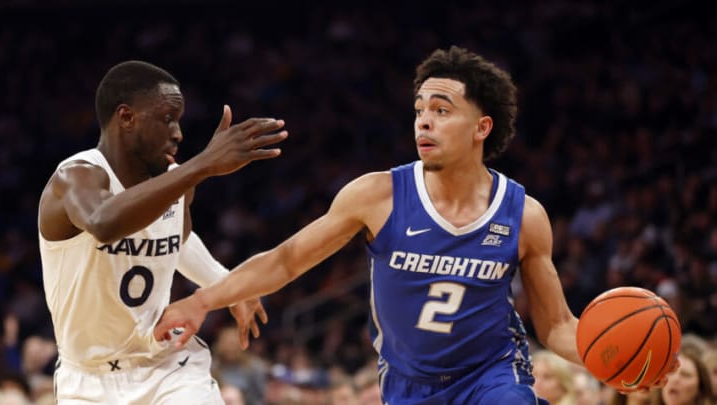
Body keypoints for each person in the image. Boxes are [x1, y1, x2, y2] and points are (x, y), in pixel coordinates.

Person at [154, 46, 669, 403]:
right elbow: (287, 260)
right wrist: (202, 300)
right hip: (407, 384)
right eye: (420, 108)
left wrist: (613, 359)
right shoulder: (377, 195)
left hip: (490, 376)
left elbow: (556, 325)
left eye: (442, 110)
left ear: (481, 128)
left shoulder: (524, 215)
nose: (424, 120)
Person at [37, 60, 287, 404]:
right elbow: (104, 223)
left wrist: (227, 285)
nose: (178, 133)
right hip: (87, 380)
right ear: (126, 118)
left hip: (167, 364)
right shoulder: (77, 176)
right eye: (167, 119)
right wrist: (203, 165)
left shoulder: (174, 180)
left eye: (179, 121)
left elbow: (175, 242)